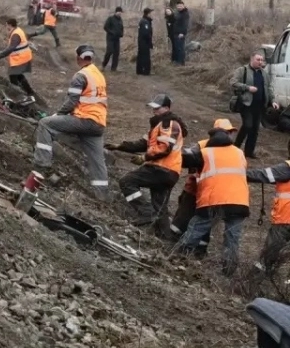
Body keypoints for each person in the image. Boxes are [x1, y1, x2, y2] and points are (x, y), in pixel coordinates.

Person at [34, 44, 110, 199]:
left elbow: (71, 102)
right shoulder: (98, 74)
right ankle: (102, 196)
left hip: (84, 119)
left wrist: (58, 115)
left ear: (78, 58)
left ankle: (41, 167)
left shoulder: (80, 76)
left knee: (45, 124)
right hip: (98, 124)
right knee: (97, 160)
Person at [175, 119, 250, 275]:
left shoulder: (204, 152)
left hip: (214, 201)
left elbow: (182, 159)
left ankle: (178, 257)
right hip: (239, 202)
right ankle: (228, 272)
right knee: (232, 238)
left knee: (195, 229)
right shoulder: (239, 153)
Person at [105, 93, 185, 225]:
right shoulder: (158, 125)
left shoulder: (168, 123)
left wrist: (144, 157)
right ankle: (163, 237)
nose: (154, 111)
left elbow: (165, 148)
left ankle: (146, 212)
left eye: (157, 108)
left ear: (166, 108)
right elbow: (143, 143)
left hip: (162, 169)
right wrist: (120, 146)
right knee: (160, 209)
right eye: (153, 108)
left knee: (126, 182)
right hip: (169, 172)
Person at [244, 138, 290, 281]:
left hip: (285, 219)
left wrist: (237, 173)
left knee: (270, 252)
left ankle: (251, 282)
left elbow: (263, 175)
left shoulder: (287, 168)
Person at [231, 50, 280, 157]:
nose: (260, 62)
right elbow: (233, 83)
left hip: (260, 105)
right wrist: (248, 88)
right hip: (246, 104)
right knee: (247, 125)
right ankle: (235, 147)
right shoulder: (242, 70)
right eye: (258, 59)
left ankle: (249, 152)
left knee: (255, 130)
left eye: (262, 60)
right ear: (252, 59)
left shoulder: (264, 73)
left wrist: (273, 101)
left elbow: (269, 88)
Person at [0, 17, 35, 98]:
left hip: (21, 57)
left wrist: (0, 55)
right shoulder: (17, 30)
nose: (6, 27)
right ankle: (29, 92)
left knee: (13, 76)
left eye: (6, 25)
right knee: (18, 75)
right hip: (23, 56)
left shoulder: (16, 34)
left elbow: (11, 48)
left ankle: (17, 94)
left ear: (10, 25)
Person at [102, 7, 123, 71]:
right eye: (119, 12)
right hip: (110, 38)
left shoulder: (120, 20)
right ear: (116, 12)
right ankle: (103, 64)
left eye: (121, 12)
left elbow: (122, 28)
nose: (120, 13)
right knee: (109, 51)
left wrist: (122, 33)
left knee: (116, 53)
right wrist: (111, 32)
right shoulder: (110, 18)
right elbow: (105, 27)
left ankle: (114, 68)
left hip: (117, 38)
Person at [136, 8, 154, 76]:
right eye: (151, 13)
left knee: (141, 56)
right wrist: (150, 42)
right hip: (144, 42)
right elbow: (146, 33)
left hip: (142, 41)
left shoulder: (145, 21)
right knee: (145, 56)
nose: (152, 15)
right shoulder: (145, 22)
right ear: (148, 14)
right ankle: (145, 71)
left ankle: (140, 71)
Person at [171, 0, 189, 64]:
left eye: (181, 6)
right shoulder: (178, 13)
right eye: (178, 6)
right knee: (176, 47)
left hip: (180, 33)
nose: (179, 7)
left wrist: (182, 33)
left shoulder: (185, 13)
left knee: (180, 48)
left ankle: (180, 62)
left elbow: (185, 24)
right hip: (175, 33)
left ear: (183, 6)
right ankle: (177, 61)